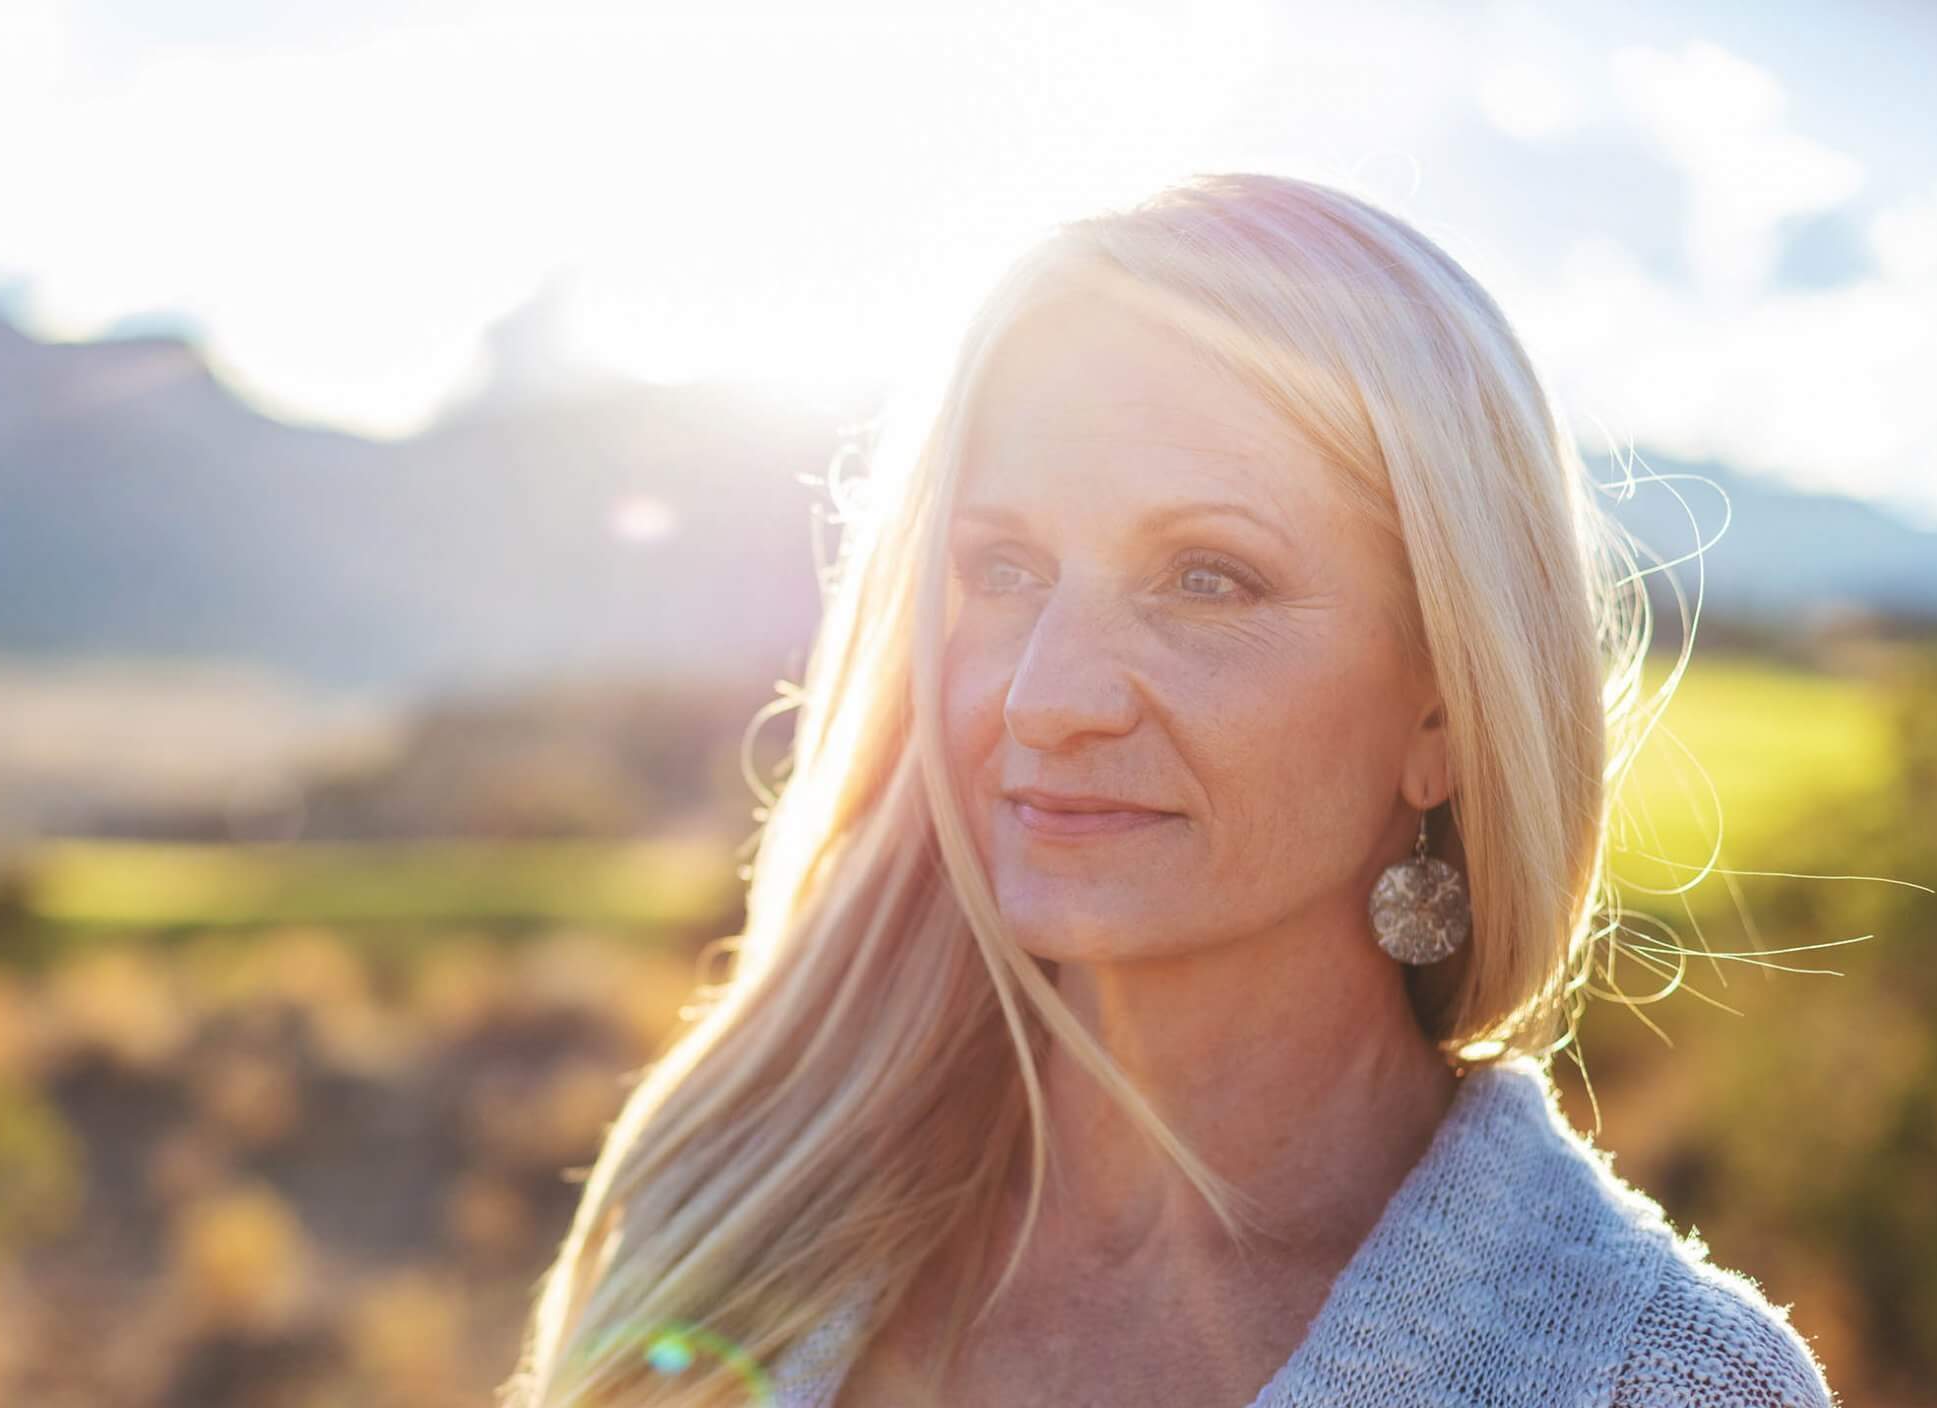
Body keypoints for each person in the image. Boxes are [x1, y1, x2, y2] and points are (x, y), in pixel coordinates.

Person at [500, 172, 1837, 1407]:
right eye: (1007, 570)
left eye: (1207, 577)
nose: (1045, 696)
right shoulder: (726, 1218)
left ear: (1443, 706)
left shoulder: (1655, 1384)